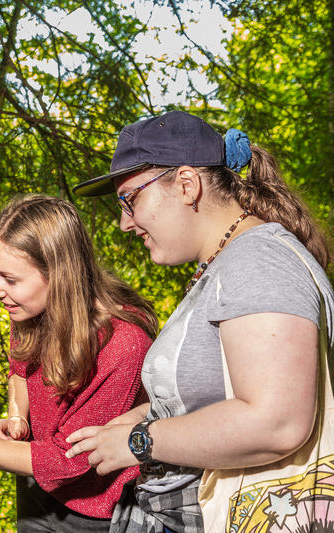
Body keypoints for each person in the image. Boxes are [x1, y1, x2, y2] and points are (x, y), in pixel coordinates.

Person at [67, 110, 334, 532]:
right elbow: (223, 397)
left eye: (130, 200)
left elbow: (277, 421)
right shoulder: (231, 262)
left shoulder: (259, 259)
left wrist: (140, 442)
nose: (124, 223)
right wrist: (146, 415)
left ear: (187, 184)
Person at [0, 195, 158, 531]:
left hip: (90, 509)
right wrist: (17, 415)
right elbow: (19, 369)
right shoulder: (28, 308)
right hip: (36, 481)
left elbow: (69, 460)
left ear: (58, 275)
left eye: (9, 279)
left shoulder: (124, 343)